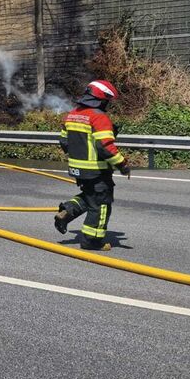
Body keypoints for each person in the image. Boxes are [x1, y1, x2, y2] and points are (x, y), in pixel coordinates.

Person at [55, 80, 130, 251]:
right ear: (102, 99)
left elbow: (64, 141)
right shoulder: (99, 117)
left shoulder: (71, 114)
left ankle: (67, 211)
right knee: (102, 204)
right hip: (96, 169)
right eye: (107, 102)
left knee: (90, 196)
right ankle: (92, 240)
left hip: (77, 168)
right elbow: (105, 147)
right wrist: (122, 164)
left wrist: (79, 156)